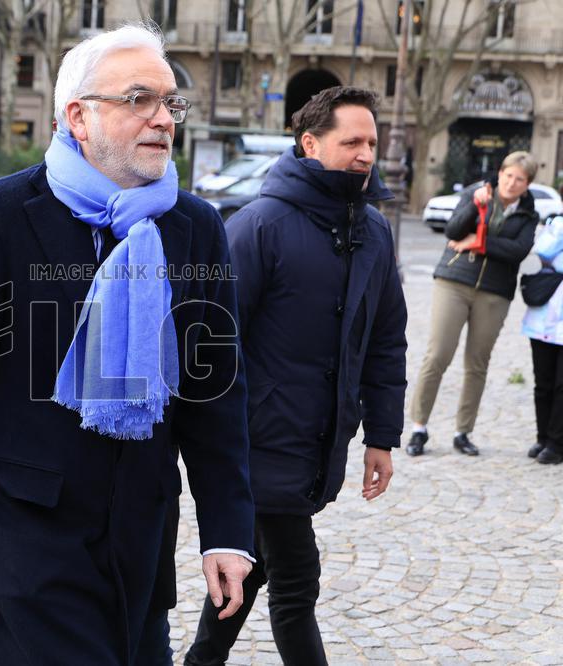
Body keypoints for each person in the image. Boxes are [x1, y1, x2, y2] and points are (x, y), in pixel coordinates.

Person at [0, 24, 255, 664]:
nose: (162, 119)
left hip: (140, 535)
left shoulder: (194, 226)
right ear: (79, 116)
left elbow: (216, 396)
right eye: (139, 100)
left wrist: (228, 533)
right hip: (27, 531)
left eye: (170, 103)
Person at [185, 86, 408, 666]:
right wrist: (213, 442)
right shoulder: (258, 226)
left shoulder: (376, 233)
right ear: (310, 144)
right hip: (258, 441)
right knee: (296, 581)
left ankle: (199, 662)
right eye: (351, 141)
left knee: (251, 571)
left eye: (372, 143)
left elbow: (386, 341)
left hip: (319, 440)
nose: (365, 154)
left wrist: (381, 435)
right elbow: (211, 344)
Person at [406, 151, 540, 456]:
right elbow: (453, 232)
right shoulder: (475, 192)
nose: (511, 183)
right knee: (437, 355)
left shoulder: (529, 215)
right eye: (508, 175)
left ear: (527, 183)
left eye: (519, 179)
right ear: (501, 173)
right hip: (454, 281)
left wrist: (477, 243)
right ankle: (418, 428)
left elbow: (517, 251)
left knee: (477, 363)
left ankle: (463, 431)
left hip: (494, 292)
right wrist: (476, 206)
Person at [521, 215, 563, 465]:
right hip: (544, 315)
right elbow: (544, 250)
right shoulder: (556, 222)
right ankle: (543, 437)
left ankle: (557, 443)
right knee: (543, 381)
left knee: (562, 385)